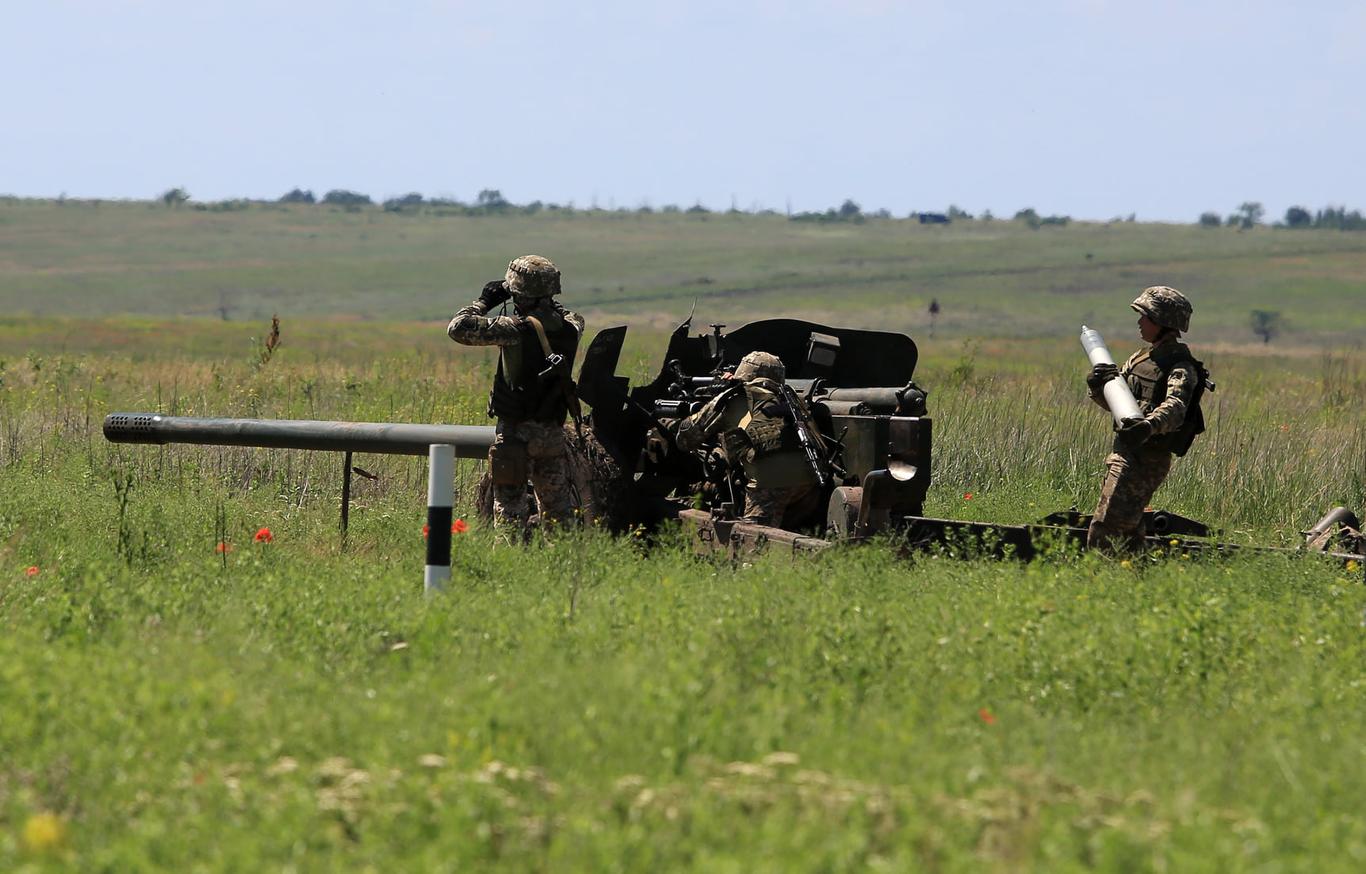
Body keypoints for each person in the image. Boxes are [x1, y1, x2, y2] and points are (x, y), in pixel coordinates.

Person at [447, 255, 584, 530]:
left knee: (509, 512)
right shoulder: (573, 326)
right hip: (552, 434)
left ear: (518, 293)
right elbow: (561, 313)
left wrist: (484, 301)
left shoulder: (514, 330)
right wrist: (538, 296)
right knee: (558, 513)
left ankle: (510, 562)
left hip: (515, 434)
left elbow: (457, 328)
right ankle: (563, 565)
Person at [1085, 286, 1211, 552]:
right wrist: (1097, 387)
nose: (1139, 322)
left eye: (1145, 316)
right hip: (1125, 453)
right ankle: (1136, 582)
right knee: (1128, 532)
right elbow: (1116, 404)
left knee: (1106, 529)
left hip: (1147, 459)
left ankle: (1100, 581)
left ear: (1162, 322)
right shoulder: (1140, 358)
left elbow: (1176, 408)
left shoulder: (1180, 366)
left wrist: (1147, 427)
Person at [674, 351, 823, 528]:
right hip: (811, 481)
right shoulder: (793, 400)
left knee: (758, 543)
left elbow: (686, 440)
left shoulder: (734, 397)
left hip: (770, 483)